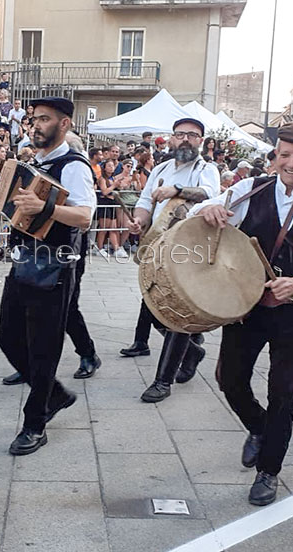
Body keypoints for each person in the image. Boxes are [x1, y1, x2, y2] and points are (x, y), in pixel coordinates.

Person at [189, 122, 293, 506]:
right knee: (230, 380)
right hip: (247, 306)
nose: (292, 163)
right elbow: (200, 209)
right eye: (285, 155)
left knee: (284, 391)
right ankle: (259, 428)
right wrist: (210, 207)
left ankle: (269, 470)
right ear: (274, 156)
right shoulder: (249, 188)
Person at [0, 97, 96, 456]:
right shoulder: (35, 163)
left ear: (64, 124)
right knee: (7, 337)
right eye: (33, 119)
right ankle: (54, 393)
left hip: (54, 267)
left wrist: (46, 207)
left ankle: (35, 422)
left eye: (44, 119)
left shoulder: (74, 166)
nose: (35, 125)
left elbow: (84, 216)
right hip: (24, 262)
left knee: (43, 349)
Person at [121, 118, 219, 403]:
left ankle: (163, 381)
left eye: (192, 135)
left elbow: (210, 195)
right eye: (180, 134)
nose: (185, 139)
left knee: (177, 314)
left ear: (201, 140)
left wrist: (176, 191)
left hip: (191, 250)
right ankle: (192, 352)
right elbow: (144, 203)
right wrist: (138, 222)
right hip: (160, 247)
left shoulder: (207, 169)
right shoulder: (161, 169)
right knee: (155, 310)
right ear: (172, 139)